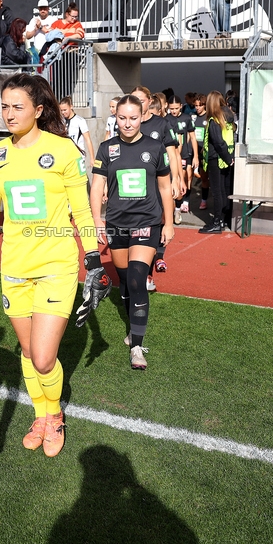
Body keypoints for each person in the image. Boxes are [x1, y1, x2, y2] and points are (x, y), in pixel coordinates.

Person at [0, 73, 106, 458]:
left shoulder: (63, 151)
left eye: (18, 107)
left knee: (44, 357)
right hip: (13, 268)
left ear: (39, 110)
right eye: (5, 107)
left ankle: (55, 413)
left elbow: (81, 209)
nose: (9, 114)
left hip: (56, 266)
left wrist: (92, 261)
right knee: (28, 354)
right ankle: (41, 415)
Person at [90, 94, 174, 370]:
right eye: (122, 118)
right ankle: (132, 325)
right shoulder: (106, 148)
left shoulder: (155, 146)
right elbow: (97, 187)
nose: (127, 123)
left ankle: (137, 345)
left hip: (147, 224)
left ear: (143, 116)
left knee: (138, 278)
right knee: (125, 281)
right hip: (116, 224)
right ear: (116, 117)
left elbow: (164, 187)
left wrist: (169, 223)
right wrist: (97, 220)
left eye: (133, 118)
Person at [131, 86, 181, 289]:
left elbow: (172, 154)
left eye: (140, 100)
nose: (136, 103)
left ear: (149, 101)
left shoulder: (161, 124)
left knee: (154, 225)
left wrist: (176, 180)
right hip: (134, 186)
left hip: (158, 183)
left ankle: (149, 272)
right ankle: (139, 268)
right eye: (133, 99)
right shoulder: (129, 124)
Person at [200, 91, 235, 234]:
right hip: (227, 158)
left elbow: (218, 142)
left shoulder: (214, 120)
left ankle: (217, 221)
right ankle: (223, 219)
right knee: (224, 190)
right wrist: (229, 158)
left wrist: (226, 157)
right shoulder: (228, 117)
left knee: (217, 192)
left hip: (217, 158)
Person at [166, 95, 197, 223]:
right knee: (170, 183)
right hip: (170, 156)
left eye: (176, 108)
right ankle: (172, 209)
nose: (174, 111)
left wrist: (195, 156)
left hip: (184, 154)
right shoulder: (165, 120)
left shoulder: (186, 118)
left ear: (181, 106)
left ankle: (180, 206)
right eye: (171, 108)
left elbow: (193, 137)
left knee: (183, 179)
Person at [59, 96, 95, 168]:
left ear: (71, 107)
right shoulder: (62, 121)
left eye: (65, 110)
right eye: (61, 110)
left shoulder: (80, 121)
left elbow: (87, 139)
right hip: (66, 156)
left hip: (78, 156)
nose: (63, 112)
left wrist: (92, 158)